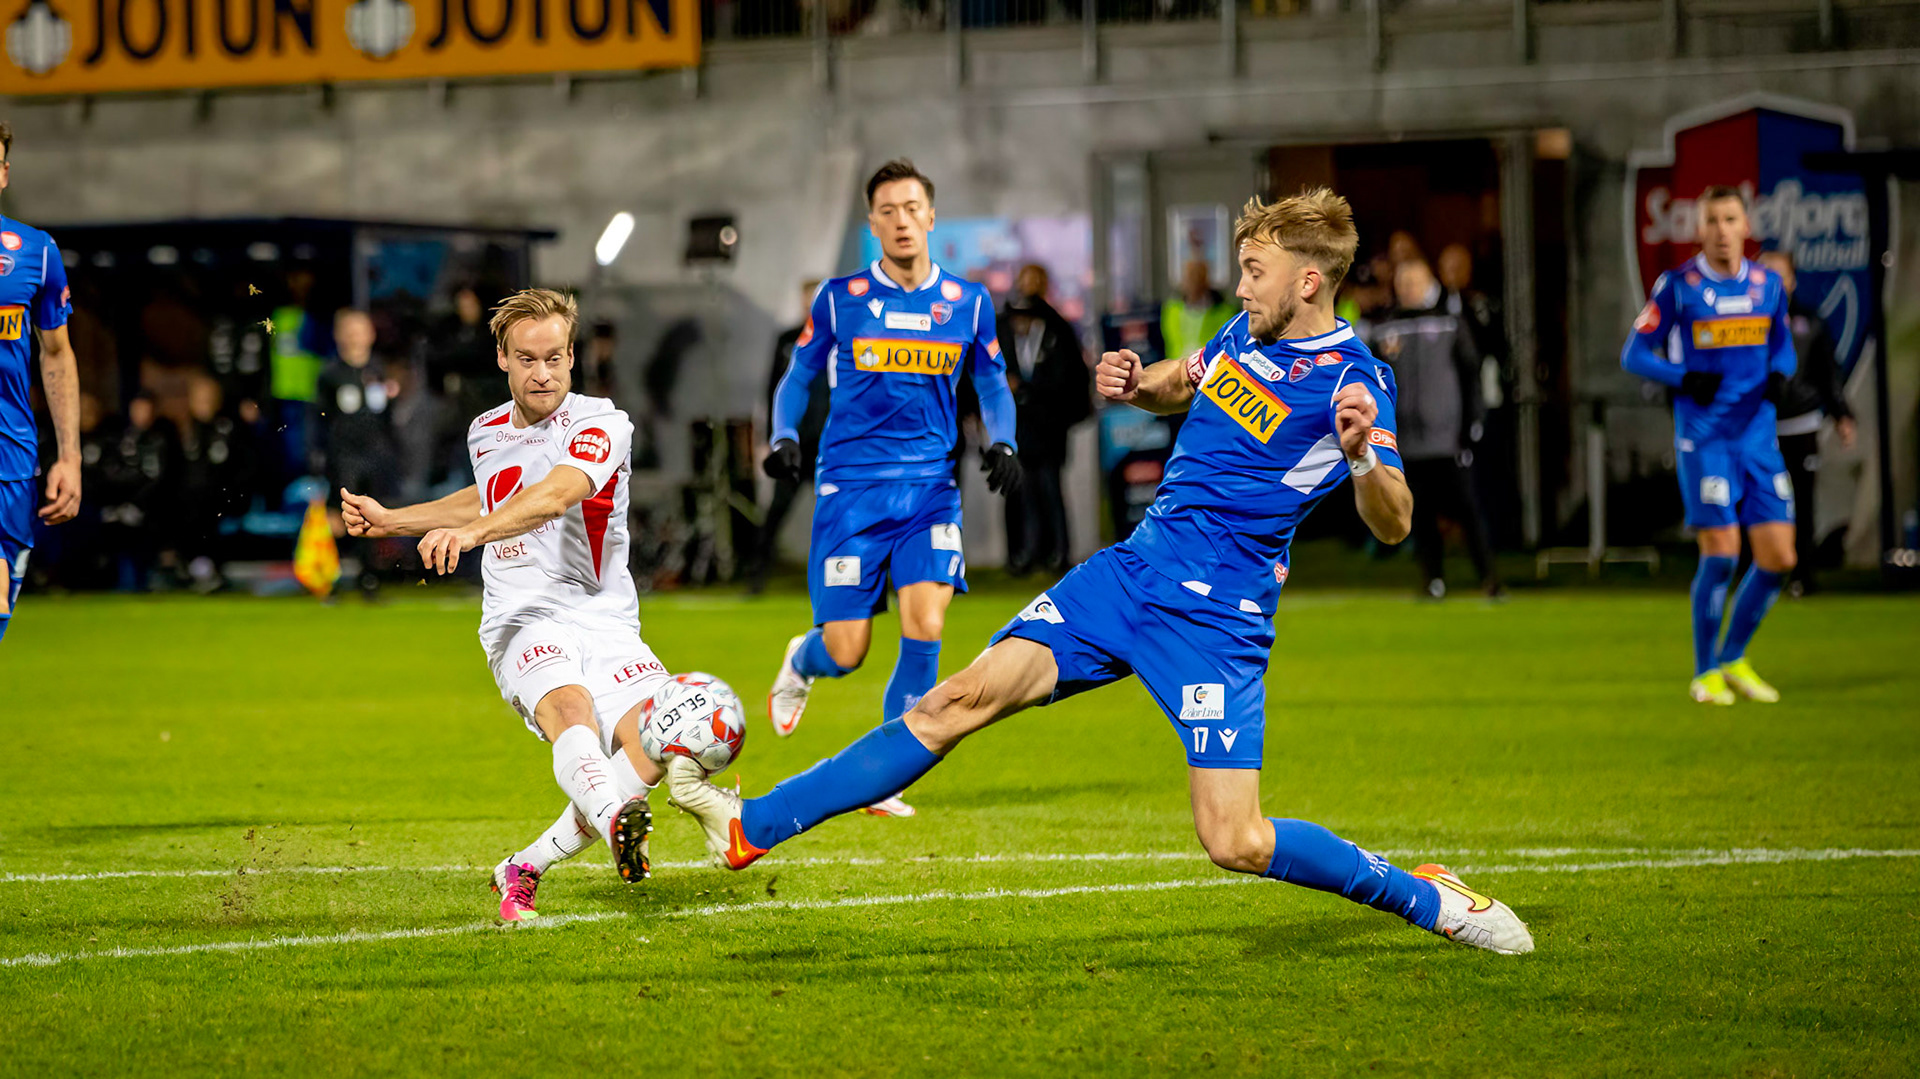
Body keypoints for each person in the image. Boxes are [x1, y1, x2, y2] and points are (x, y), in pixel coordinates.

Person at [668, 189, 1534, 956]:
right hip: (1127, 576)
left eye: (1254, 272)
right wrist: (1135, 383)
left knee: (1234, 840)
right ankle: (753, 826)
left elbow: (1396, 520)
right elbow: (1183, 382)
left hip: (1216, 624)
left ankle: (1428, 897)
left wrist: (1358, 459)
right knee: (952, 702)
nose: (1238, 288)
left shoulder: (1355, 380)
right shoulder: (1241, 333)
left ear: (1308, 281)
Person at [341, 288, 661, 918]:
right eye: (527, 359)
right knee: (569, 709)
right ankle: (616, 816)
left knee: (655, 746)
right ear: (503, 360)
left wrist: (472, 534)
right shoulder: (484, 431)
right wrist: (392, 521)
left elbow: (554, 494)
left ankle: (525, 865)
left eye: (554, 358)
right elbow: (485, 496)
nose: (542, 373)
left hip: (606, 617)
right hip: (523, 616)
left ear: (571, 358)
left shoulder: (603, 423)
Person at [760, 159, 1022, 818]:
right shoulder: (840, 297)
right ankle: (804, 660)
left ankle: (887, 775)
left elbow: (991, 380)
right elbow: (799, 373)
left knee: (927, 621)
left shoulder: (967, 303)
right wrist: (784, 433)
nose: (902, 220)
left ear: (932, 217)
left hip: (931, 489)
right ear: (873, 223)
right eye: (888, 211)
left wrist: (1004, 441)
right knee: (847, 650)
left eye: (912, 208)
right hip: (851, 491)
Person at [1621, 186, 1797, 706]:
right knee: (1722, 555)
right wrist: (1683, 377)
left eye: (1730, 219)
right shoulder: (1679, 287)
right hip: (1706, 441)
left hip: (1758, 439)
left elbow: (1782, 345)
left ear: (1746, 227)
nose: (1722, 230)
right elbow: (1635, 353)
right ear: (1699, 230)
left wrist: (1783, 375)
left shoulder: (1768, 286)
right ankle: (1705, 672)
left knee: (1779, 558)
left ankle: (1734, 657)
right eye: (1712, 221)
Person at [1373, 258, 1500, 599]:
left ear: (1429, 282)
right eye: (1403, 281)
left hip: (1448, 438)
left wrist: (1473, 421)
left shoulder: (1449, 322)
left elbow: (1470, 373)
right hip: (1408, 441)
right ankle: (1433, 580)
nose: (1408, 288)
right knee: (1420, 513)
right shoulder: (1386, 327)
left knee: (1468, 510)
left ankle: (1489, 578)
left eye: (1414, 281)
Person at [0, 123, 81, 639]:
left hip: (10, 463)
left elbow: (56, 354)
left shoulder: (35, 251)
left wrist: (70, 456)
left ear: (4, 173)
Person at [1755, 250, 1855, 596]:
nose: (1773, 282)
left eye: (1779, 275)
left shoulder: (1810, 323)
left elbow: (1829, 374)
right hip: (1757, 428)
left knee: (1801, 503)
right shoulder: (1744, 323)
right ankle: (1755, 574)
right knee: (1754, 502)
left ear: (1793, 280)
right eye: (1765, 273)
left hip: (1801, 426)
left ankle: (1803, 575)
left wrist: (1842, 414)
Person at [998, 264, 1091, 576]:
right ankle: (1021, 556)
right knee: (1016, 490)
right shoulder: (1002, 329)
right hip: (1014, 425)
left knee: (1050, 488)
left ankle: (1057, 555)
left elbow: (1072, 379)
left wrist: (1028, 389)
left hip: (1049, 425)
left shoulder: (1057, 328)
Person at [748, 281, 831, 594]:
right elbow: (773, 390)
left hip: (831, 447)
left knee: (846, 517)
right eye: (807, 300)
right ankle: (756, 576)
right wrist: (773, 440)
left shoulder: (844, 340)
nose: (811, 307)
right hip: (794, 445)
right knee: (776, 511)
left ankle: (864, 581)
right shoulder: (787, 340)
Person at [314, 309, 400, 600]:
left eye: (359, 330)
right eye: (349, 330)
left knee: (373, 515)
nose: (354, 336)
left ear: (370, 334)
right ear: (339, 335)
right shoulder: (330, 374)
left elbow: (388, 417)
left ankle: (369, 576)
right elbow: (318, 419)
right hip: (343, 456)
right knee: (339, 517)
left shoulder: (379, 370)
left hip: (376, 455)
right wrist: (318, 457)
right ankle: (333, 576)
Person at [1160, 258, 1235, 364]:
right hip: (1176, 368)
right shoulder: (1172, 309)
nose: (1192, 282)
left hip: (1206, 368)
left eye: (1197, 276)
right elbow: (1171, 343)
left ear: (1205, 280)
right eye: (1189, 276)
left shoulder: (1223, 312)